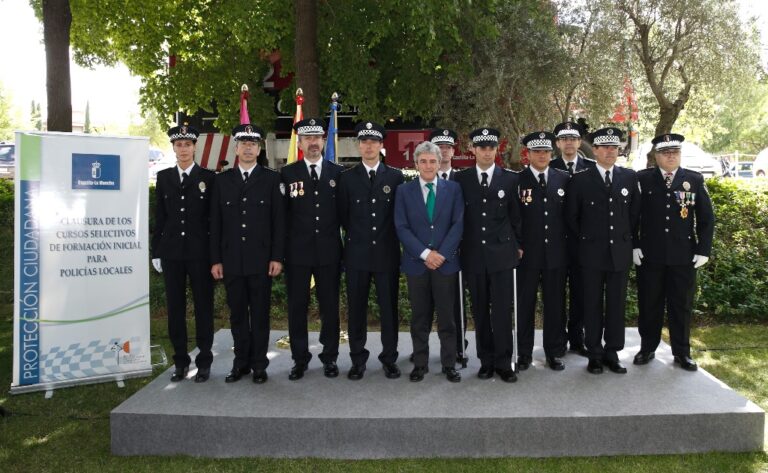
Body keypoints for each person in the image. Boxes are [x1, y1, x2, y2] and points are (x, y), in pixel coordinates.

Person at [209, 123, 285, 384]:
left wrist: (277, 256)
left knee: (261, 314)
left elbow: (278, 222)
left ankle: (259, 365)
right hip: (231, 260)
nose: (249, 148)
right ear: (236, 148)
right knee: (237, 314)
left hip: (261, 260)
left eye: (253, 144)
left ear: (259, 147)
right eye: (244, 144)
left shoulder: (272, 179)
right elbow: (215, 224)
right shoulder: (222, 181)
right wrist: (215, 259)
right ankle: (240, 362)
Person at [633, 133, 715, 371]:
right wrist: (634, 245)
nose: (671, 156)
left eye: (675, 152)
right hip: (650, 256)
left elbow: (706, 219)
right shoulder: (643, 179)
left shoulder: (694, 179)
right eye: (666, 153)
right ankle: (647, 348)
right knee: (649, 304)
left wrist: (703, 250)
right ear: (656, 156)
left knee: (681, 305)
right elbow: (632, 216)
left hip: (683, 256)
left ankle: (682, 352)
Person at [565, 127, 640, 375]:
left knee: (617, 305)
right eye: (605, 147)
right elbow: (572, 219)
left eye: (615, 147)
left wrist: (632, 245)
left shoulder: (629, 178)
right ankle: (594, 354)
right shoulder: (580, 180)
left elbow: (634, 216)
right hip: (591, 254)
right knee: (592, 305)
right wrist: (586, 243)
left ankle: (612, 352)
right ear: (594, 150)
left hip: (619, 252)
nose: (611, 151)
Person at [454, 127, 522, 383]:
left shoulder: (510, 179)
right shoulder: (461, 180)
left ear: (497, 149)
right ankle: (486, 360)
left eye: (490, 147)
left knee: (502, 311)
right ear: (473, 150)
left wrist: (519, 244)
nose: (486, 151)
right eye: (481, 147)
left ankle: (504, 362)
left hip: (502, 255)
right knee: (480, 310)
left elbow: (517, 217)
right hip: (473, 254)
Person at [338, 121, 405, 380]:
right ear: (359, 145)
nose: (368, 146)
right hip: (356, 255)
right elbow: (343, 217)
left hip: (387, 255)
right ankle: (358, 360)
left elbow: (399, 216)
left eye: (373, 142)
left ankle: (389, 359)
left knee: (389, 310)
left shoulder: (395, 177)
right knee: (356, 310)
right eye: (364, 142)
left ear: (381, 145)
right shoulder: (346, 178)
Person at [394, 141, 464, 383]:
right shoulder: (404, 191)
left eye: (432, 161)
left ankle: (449, 364)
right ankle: (420, 364)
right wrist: (426, 254)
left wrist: (441, 254)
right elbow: (401, 227)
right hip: (417, 264)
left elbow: (458, 224)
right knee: (420, 318)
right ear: (415, 164)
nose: (428, 165)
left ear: (439, 162)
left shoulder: (453, 189)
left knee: (447, 318)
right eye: (423, 161)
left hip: (446, 264)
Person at [280, 118, 344, 380]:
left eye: (318, 137)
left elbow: (345, 215)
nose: (314, 142)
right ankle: (300, 358)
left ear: (323, 141)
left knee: (330, 307)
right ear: (301, 142)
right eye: (308, 138)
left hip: (329, 252)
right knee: (297, 307)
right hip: (297, 254)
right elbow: (281, 218)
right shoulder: (287, 174)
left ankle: (329, 357)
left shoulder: (338, 174)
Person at [151, 124, 215, 383]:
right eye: (179, 145)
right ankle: (180, 362)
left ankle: (204, 362)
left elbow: (213, 221)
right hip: (172, 253)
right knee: (175, 310)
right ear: (174, 148)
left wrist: (214, 255)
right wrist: (157, 251)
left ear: (194, 147)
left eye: (188, 144)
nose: (184, 149)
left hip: (200, 255)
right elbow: (161, 217)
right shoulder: (164, 177)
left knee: (203, 308)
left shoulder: (208, 178)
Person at [516, 131, 569, 371]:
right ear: (528, 154)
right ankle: (524, 354)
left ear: (551, 153)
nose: (542, 156)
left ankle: (554, 352)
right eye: (537, 152)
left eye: (546, 152)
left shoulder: (563, 178)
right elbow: (513, 218)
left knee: (555, 305)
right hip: (526, 255)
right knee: (525, 305)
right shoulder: (517, 180)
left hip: (556, 254)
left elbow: (571, 217)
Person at [550, 121, 596, 356]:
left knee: (581, 292)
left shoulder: (591, 167)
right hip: (556, 243)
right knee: (556, 295)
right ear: (557, 143)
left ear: (579, 142)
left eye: (573, 139)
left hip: (582, 243)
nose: (568, 143)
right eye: (564, 139)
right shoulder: (548, 166)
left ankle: (578, 339)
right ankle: (558, 340)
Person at [429, 127, 468, 366]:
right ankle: (421, 347)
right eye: (439, 147)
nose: (444, 151)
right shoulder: (420, 177)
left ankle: (458, 348)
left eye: (447, 147)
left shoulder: (463, 180)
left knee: (455, 305)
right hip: (427, 254)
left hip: (455, 253)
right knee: (426, 304)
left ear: (453, 151)